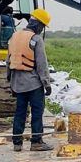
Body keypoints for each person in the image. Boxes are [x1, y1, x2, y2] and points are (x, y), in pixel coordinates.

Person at [7, 8, 53, 152]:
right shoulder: (36, 39)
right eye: (42, 26)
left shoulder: (14, 37)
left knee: (20, 112)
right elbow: (42, 64)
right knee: (37, 112)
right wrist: (47, 84)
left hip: (18, 84)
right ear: (38, 24)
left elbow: (8, 62)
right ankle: (36, 142)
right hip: (33, 84)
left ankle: (17, 143)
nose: (41, 29)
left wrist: (10, 82)